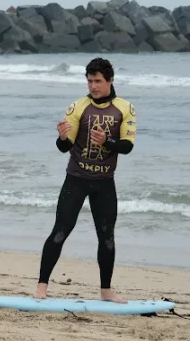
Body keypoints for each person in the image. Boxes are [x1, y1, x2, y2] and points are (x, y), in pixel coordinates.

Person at [34, 57, 136, 303]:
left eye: (98, 81)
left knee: (107, 236)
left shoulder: (125, 108)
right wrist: (60, 137)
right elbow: (64, 146)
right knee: (60, 231)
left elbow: (127, 146)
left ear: (110, 81)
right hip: (76, 179)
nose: (93, 86)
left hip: (104, 182)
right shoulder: (78, 107)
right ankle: (41, 287)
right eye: (89, 81)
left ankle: (106, 291)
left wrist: (107, 142)